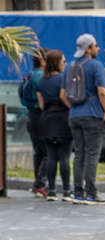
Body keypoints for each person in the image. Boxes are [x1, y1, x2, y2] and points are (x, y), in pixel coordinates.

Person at [61, 33, 105, 205]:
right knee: (91, 154)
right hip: (92, 113)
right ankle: (91, 193)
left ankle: (77, 192)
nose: (97, 48)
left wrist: (74, 108)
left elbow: (63, 94)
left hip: (74, 115)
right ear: (88, 48)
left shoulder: (70, 66)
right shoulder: (96, 65)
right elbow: (102, 91)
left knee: (79, 154)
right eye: (95, 45)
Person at [37, 49, 73, 202]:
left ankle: (51, 189)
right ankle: (66, 190)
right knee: (64, 156)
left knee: (51, 156)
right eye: (63, 61)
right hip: (63, 118)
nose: (65, 64)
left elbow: (41, 104)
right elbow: (64, 96)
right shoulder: (63, 78)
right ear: (57, 63)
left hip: (47, 119)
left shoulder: (41, 81)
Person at [23, 47, 48, 198]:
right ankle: (40, 183)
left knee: (38, 151)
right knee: (47, 152)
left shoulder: (31, 74)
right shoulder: (41, 76)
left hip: (30, 116)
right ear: (43, 61)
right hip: (40, 116)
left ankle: (37, 182)